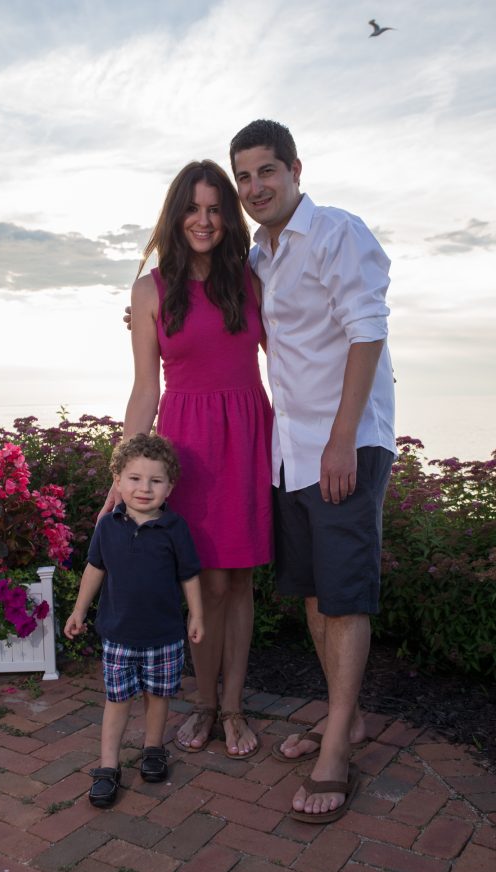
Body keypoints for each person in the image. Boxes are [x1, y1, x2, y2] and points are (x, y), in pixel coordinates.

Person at [229, 119, 396, 823]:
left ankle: (338, 754)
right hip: (288, 449)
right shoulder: (260, 258)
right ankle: (344, 717)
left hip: (344, 445)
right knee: (312, 592)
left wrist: (340, 440)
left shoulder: (336, 233)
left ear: (296, 168)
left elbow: (367, 330)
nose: (254, 187)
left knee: (346, 595)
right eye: (243, 176)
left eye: (266, 171)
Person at [104, 160, 273, 759]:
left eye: (215, 209)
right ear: (175, 214)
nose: (204, 221)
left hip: (248, 433)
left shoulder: (252, 278)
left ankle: (233, 708)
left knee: (238, 577)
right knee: (200, 577)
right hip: (186, 442)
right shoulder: (149, 289)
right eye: (193, 208)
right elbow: (146, 387)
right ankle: (204, 705)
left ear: (229, 217)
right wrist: (122, 472)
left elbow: (297, 343)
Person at [64, 433, 204, 807]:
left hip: (164, 636)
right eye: (134, 479)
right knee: (118, 700)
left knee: (158, 696)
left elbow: (189, 575)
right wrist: (79, 610)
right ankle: (108, 766)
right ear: (118, 481)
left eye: (155, 481)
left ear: (169, 486)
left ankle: (153, 749)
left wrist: (197, 614)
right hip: (118, 636)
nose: (144, 488)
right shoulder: (108, 527)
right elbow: (94, 569)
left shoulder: (175, 529)